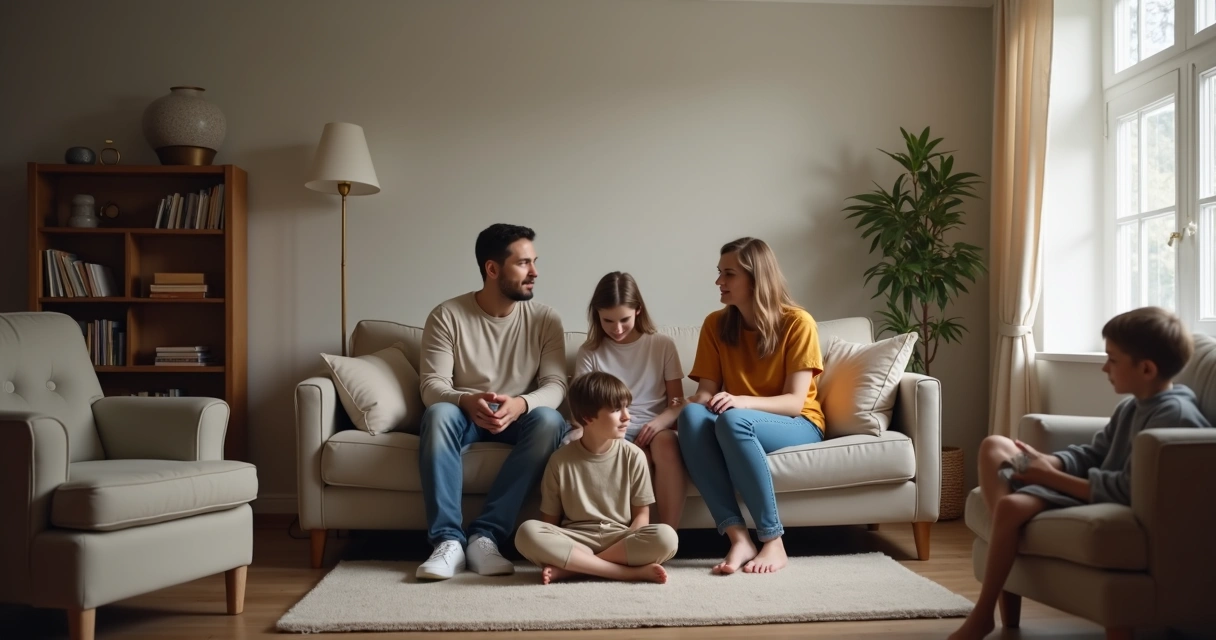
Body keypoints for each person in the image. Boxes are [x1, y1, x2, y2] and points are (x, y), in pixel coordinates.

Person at [949, 306, 1212, 640]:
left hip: (1106, 497)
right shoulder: (1131, 405)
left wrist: (1048, 478)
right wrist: (1050, 462)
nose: (1104, 367)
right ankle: (1007, 530)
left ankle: (984, 611)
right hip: (1079, 484)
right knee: (994, 447)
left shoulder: (1174, 416)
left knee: (1010, 507)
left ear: (1146, 368)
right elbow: (1093, 453)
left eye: (1112, 359)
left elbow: (1129, 489)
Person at [415, 223, 568, 581]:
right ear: (493, 269)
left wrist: (521, 404)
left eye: (535, 262)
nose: (535, 272)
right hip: (465, 415)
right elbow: (432, 385)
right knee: (438, 414)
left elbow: (556, 384)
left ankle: (485, 537)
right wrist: (465, 400)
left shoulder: (545, 319)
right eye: (524, 263)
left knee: (549, 421)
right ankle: (448, 541)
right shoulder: (447, 315)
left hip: (519, 418)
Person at [678, 237, 826, 575]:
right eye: (719, 272)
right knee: (692, 416)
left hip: (798, 423)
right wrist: (668, 416)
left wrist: (741, 402)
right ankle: (738, 538)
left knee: (733, 421)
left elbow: (794, 403)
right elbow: (704, 395)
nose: (719, 281)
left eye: (729, 274)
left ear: (757, 278)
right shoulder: (715, 325)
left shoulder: (798, 323)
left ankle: (773, 540)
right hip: (737, 420)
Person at [515, 371, 679, 584]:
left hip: (620, 539)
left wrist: (565, 561)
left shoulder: (634, 455)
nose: (627, 416)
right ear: (587, 417)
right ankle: (625, 573)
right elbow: (550, 524)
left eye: (627, 407)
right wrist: (556, 546)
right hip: (576, 540)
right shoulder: (559, 460)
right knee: (526, 532)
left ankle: (575, 569)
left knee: (667, 537)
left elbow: (641, 517)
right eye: (616, 410)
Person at [571, 271, 688, 527]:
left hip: (656, 427)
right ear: (597, 315)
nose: (617, 329)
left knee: (667, 444)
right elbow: (581, 408)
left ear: (638, 310)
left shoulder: (662, 345)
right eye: (608, 321)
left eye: (624, 319)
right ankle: (630, 536)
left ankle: (669, 536)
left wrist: (658, 424)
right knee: (636, 456)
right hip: (610, 428)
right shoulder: (590, 352)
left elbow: (677, 402)